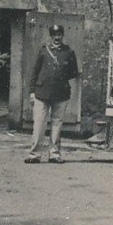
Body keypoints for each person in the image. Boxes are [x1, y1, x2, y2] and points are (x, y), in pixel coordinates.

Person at [25, 24, 80, 164]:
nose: (57, 37)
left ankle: (54, 155)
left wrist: (62, 78)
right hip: (41, 92)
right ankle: (34, 155)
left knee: (57, 124)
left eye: (59, 35)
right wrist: (32, 91)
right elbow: (35, 72)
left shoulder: (69, 52)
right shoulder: (44, 51)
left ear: (62, 36)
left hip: (61, 93)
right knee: (39, 124)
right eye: (54, 35)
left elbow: (73, 72)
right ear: (51, 36)